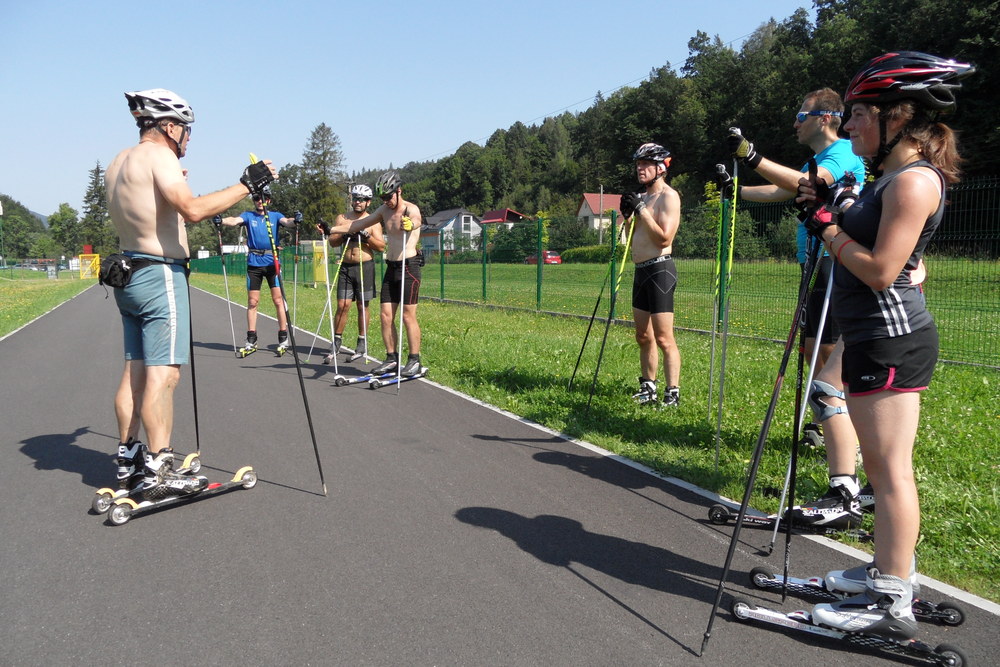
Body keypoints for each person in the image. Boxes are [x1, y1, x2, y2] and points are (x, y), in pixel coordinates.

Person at [797, 52, 974, 639]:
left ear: (898, 115)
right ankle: (886, 568)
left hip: (892, 339)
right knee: (881, 466)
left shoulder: (917, 180)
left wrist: (826, 228)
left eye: (858, 115)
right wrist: (833, 209)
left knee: (890, 472)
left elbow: (880, 270)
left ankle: (891, 600)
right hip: (876, 337)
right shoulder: (893, 177)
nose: (848, 127)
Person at [105, 88, 276, 499]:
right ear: (168, 125)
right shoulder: (159, 156)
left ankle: (129, 460)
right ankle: (160, 469)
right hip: (160, 275)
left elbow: (152, 210)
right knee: (165, 376)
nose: (188, 138)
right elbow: (192, 210)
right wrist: (245, 185)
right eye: (186, 129)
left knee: (136, 373)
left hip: (128, 274)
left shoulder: (117, 162)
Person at [728, 90, 869, 526]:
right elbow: (782, 186)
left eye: (800, 115)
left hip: (835, 262)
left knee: (829, 368)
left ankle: (848, 445)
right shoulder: (816, 158)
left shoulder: (842, 151)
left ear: (825, 117)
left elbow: (809, 185)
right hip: (814, 263)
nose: (795, 123)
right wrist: (737, 190)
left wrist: (752, 155)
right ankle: (827, 426)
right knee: (815, 355)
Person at [328, 171, 425, 377]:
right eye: (382, 198)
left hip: (409, 266)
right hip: (391, 267)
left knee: (408, 316)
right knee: (385, 315)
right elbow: (357, 225)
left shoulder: (410, 209)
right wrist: (331, 229)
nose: (386, 201)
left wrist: (411, 224)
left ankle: (414, 360)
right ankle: (391, 358)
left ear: (399, 191)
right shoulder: (383, 210)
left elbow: (417, 220)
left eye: (389, 196)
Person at [619, 143, 682, 407]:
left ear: (660, 168)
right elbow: (632, 238)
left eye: (645, 164)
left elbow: (663, 237)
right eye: (638, 164)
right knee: (642, 336)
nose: (640, 169)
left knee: (664, 337)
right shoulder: (642, 197)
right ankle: (648, 386)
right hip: (640, 270)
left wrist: (642, 211)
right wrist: (628, 216)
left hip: (660, 269)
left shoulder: (669, 197)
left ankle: (672, 392)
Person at [218, 186, 299, 356]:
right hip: (254, 264)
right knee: (253, 302)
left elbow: (287, 222)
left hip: (272, 263)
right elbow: (234, 220)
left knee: (278, 300)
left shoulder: (275, 215)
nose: (260, 201)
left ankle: (283, 337)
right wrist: (221, 220)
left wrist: (296, 220)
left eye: (263, 198)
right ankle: (251, 339)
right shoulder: (248, 215)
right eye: (257, 198)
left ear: (268, 200)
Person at [320, 184, 386, 363]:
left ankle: (362, 342)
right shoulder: (342, 218)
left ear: (368, 202)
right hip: (345, 267)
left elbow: (381, 246)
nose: (358, 202)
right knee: (342, 305)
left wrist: (367, 237)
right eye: (355, 198)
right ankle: (336, 341)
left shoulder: (373, 221)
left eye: (362, 199)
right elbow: (332, 242)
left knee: (362, 306)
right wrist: (343, 235)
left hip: (365, 266)